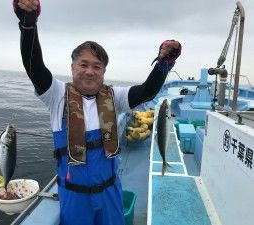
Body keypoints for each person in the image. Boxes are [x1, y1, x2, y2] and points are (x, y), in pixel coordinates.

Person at [13, 0, 181, 224]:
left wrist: (164, 62)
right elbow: (33, 66)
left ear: (104, 71)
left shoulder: (115, 97)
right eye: (83, 64)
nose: (90, 72)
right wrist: (28, 22)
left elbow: (147, 92)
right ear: (73, 66)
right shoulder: (56, 95)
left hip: (111, 194)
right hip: (74, 199)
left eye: (97, 66)